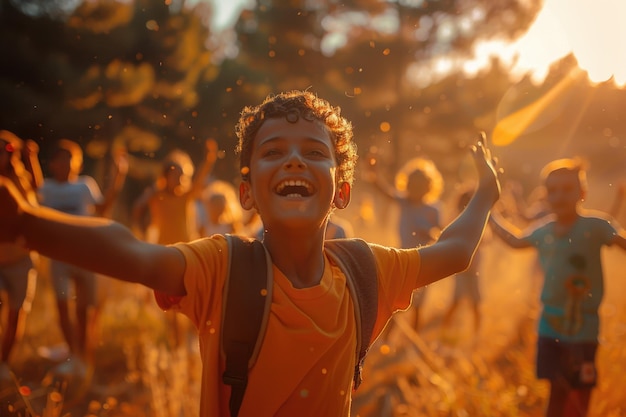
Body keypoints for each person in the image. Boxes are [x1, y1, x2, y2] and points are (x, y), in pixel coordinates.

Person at [0, 90, 500, 417]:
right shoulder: (222, 265)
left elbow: (453, 252)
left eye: (314, 151)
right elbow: (134, 253)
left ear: (341, 192)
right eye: (273, 151)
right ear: (246, 194)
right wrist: (26, 223)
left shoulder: (367, 268)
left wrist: (486, 195)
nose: (295, 158)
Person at [488, 157, 626, 417]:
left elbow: (622, 242)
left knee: (579, 400)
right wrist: (488, 213)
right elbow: (515, 241)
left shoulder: (596, 227)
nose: (559, 196)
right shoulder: (544, 231)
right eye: (552, 190)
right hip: (550, 328)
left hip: (583, 331)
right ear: (545, 196)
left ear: (582, 194)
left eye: (567, 189)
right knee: (556, 395)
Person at [37, 138, 128, 365]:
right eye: (61, 160)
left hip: (85, 256)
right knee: (62, 307)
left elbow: (102, 208)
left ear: (77, 163)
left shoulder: (84, 185)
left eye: (71, 160)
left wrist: (119, 176)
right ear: (52, 164)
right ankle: (73, 353)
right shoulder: (45, 188)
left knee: (83, 310)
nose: (66, 165)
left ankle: (82, 358)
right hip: (57, 257)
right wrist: (29, 159)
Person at [131, 140, 217, 349]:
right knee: (170, 303)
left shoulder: (187, 195)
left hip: (188, 252)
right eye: (174, 173)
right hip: (165, 253)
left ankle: (188, 341)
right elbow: (138, 208)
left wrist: (208, 160)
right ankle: (175, 342)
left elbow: (199, 181)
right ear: (165, 176)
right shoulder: (157, 196)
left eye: (181, 174)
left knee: (189, 299)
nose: (178, 178)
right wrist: (142, 230)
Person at [365, 154, 444, 332]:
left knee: (418, 305)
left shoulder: (433, 209)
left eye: (421, 185)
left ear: (428, 187)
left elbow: (440, 233)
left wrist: (430, 233)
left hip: (424, 261)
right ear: (407, 185)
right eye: (413, 185)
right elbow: (384, 191)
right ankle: (386, 340)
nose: (416, 189)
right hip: (402, 259)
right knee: (396, 302)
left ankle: (413, 340)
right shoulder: (405, 202)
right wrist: (373, 173)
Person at [0, 130, 41, 380]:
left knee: (17, 311)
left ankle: (4, 363)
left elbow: (36, 194)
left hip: (20, 259)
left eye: (6, 150)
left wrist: (30, 159)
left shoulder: (20, 178)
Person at [441, 186, 484, 336]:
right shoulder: (458, 220)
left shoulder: (478, 220)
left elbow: (485, 240)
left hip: (472, 270)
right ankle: (446, 329)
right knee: (458, 301)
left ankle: (476, 334)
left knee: (474, 303)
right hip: (462, 270)